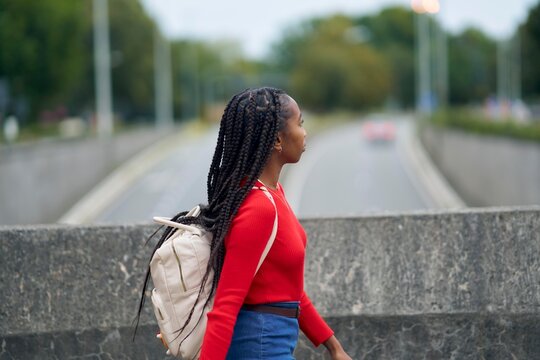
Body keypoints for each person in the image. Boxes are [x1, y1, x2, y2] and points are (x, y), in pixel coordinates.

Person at [138, 87, 351, 359]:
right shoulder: (260, 208)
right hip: (260, 348)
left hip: (271, 344)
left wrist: (333, 346)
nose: (305, 132)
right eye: (300, 124)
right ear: (277, 139)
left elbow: (289, 288)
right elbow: (227, 305)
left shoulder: (271, 194)